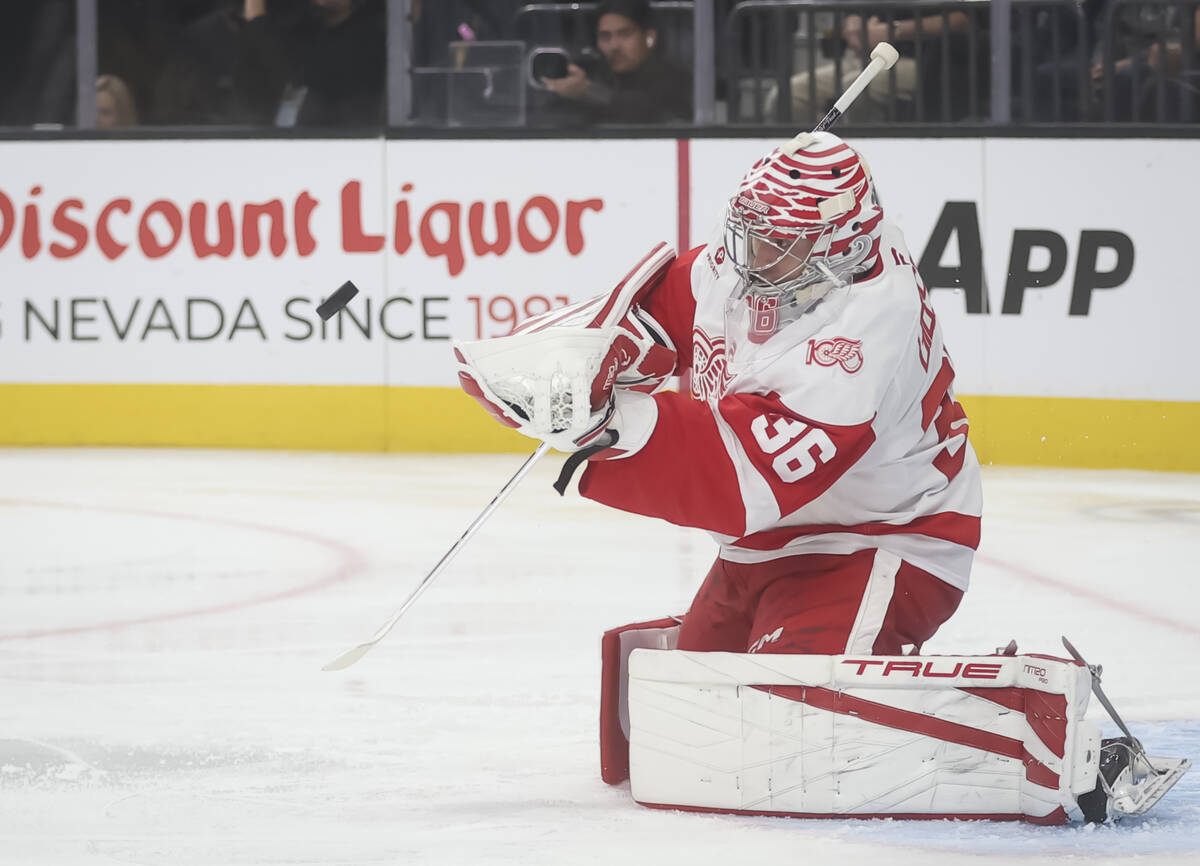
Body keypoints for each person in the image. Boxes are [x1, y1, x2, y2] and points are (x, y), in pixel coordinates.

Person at [457, 130, 982, 660]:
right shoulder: (776, 263)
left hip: (883, 539)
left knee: (785, 711)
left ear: (837, 248)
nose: (751, 257)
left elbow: (745, 475)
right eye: (749, 233)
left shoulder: (865, 331)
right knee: (694, 706)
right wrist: (584, 355)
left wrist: (605, 423)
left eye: (777, 242)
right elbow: (670, 311)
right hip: (766, 540)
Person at [764, 10, 972, 123]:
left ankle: (860, 163)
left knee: (855, 86)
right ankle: (820, 158)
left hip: (931, 61)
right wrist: (853, 23)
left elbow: (968, 18)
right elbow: (856, 11)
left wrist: (895, 31)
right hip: (868, 57)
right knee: (787, 95)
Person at [539, 0, 692, 124]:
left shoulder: (675, 78)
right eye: (605, 37)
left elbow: (653, 112)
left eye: (625, 34)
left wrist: (590, 92)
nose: (614, 46)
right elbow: (546, 120)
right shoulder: (587, 74)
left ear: (649, 38)